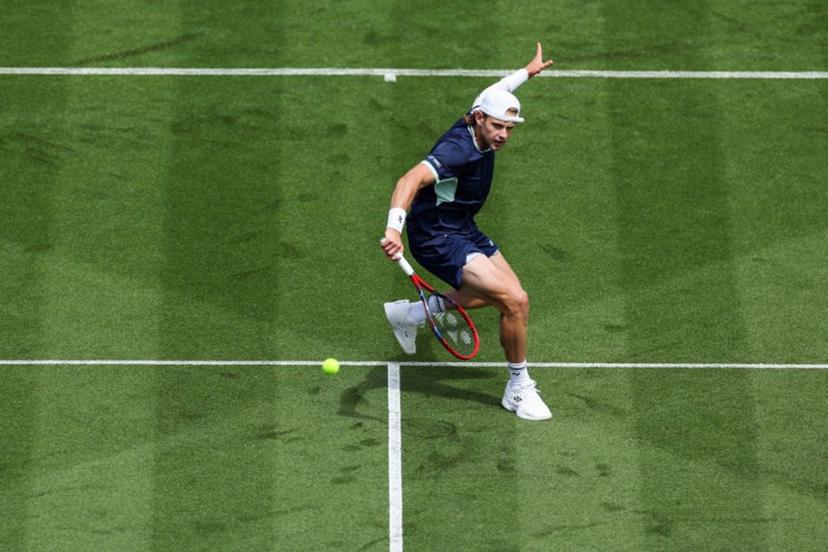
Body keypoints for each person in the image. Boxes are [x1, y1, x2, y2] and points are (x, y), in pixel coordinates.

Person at [380, 43, 555, 421]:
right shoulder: (457, 151)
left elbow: (500, 89)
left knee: (500, 298)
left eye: (509, 128)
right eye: (497, 126)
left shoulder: (485, 110)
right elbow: (409, 179)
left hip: (462, 226)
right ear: (478, 119)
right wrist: (394, 229)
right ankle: (518, 388)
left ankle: (411, 315)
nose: (504, 135)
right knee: (516, 301)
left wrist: (526, 72)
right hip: (437, 238)